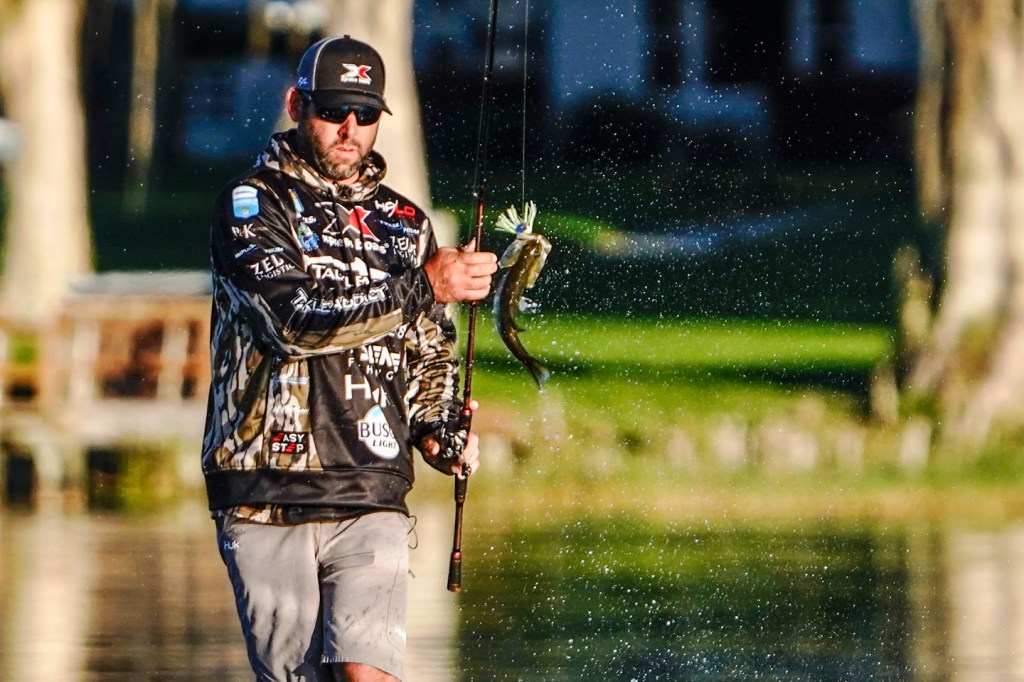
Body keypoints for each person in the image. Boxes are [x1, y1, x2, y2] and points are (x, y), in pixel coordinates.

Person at [201, 35, 497, 682]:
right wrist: (426, 284)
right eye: (334, 111)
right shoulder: (251, 206)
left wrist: (436, 429)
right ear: (296, 105)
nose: (350, 130)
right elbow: (292, 322)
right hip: (267, 490)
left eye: (365, 115)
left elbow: (427, 350)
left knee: (370, 674)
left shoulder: (406, 223)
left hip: (372, 486)